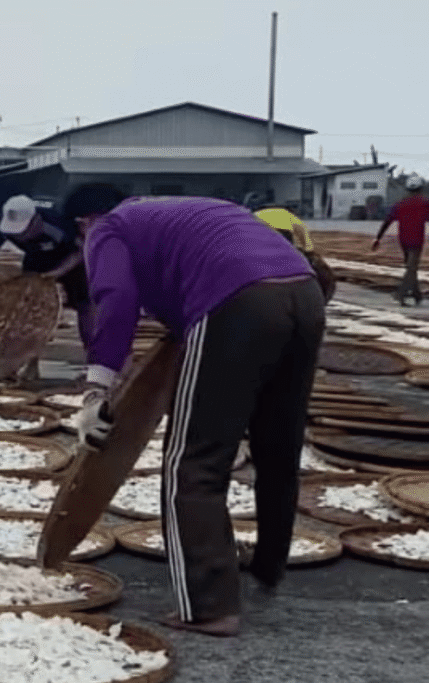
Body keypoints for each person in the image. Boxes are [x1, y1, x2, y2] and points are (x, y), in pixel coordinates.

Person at [65, 184, 325, 637]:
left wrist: (96, 391)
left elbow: (117, 299)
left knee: (192, 460)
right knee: (278, 445)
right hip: (305, 294)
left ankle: (209, 605)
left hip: (236, 299)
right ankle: (268, 566)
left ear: (83, 223)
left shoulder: (108, 228)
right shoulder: (178, 213)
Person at [0, 195, 91, 380]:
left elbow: (82, 251)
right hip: (35, 260)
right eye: (14, 234)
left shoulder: (58, 223)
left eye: (22, 232)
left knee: (85, 308)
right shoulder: (3, 228)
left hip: (70, 263)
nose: (17, 237)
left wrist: (57, 273)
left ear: (35, 222)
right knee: (28, 312)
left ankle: (95, 362)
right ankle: (29, 363)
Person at [254, 205, 336, 301]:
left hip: (257, 232)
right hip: (282, 233)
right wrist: (310, 257)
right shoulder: (292, 218)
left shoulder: (254, 215)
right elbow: (307, 246)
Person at [372, 174, 429, 306]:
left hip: (403, 240)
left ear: (407, 189)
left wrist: (378, 238)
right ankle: (401, 293)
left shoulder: (399, 205)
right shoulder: (425, 204)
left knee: (410, 267)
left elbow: (387, 221)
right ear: (420, 189)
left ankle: (416, 295)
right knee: (411, 268)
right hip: (416, 241)